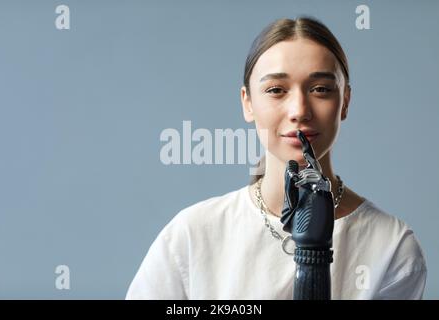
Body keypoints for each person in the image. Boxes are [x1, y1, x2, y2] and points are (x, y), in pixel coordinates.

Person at [126, 17, 427, 299]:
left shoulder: (392, 246)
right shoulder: (192, 234)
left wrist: (316, 258)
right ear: (248, 103)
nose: (299, 110)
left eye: (320, 89)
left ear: (344, 101)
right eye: (276, 90)